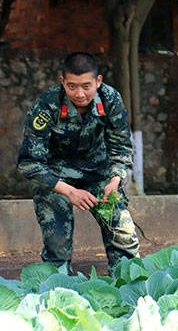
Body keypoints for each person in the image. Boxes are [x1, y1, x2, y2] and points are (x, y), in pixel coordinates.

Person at [17, 52, 139, 275]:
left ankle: (127, 287)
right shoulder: (47, 105)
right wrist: (69, 191)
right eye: (72, 86)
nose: (79, 94)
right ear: (63, 82)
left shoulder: (111, 99)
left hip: (98, 171)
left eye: (86, 86)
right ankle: (58, 291)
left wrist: (115, 181)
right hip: (56, 176)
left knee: (123, 235)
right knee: (58, 248)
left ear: (98, 81)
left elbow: (121, 149)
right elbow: (29, 162)